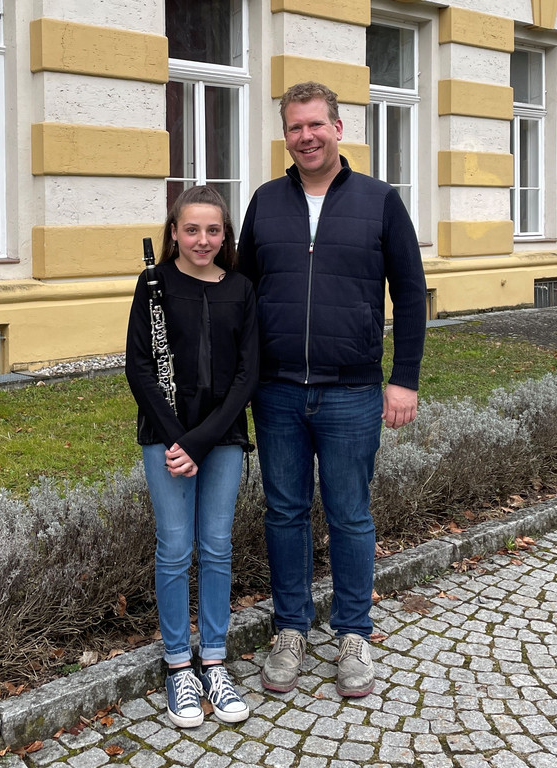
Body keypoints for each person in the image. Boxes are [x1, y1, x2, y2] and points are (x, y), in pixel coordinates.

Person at [238, 82, 426, 697]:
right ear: (285, 136)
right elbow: (242, 293)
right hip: (278, 392)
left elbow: (410, 294)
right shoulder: (265, 202)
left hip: (351, 391)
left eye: (316, 124)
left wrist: (404, 379)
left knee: (349, 515)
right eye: (295, 127)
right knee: (285, 513)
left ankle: (353, 633)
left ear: (338, 129)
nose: (306, 136)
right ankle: (291, 629)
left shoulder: (379, 201)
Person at [126, 185, 258, 727]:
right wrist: (177, 437)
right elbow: (139, 367)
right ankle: (179, 664)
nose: (202, 239)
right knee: (176, 549)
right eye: (191, 229)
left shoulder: (241, 288)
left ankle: (215, 660)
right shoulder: (153, 284)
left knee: (217, 547)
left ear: (225, 236)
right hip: (166, 435)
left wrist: (199, 441)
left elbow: (248, 374)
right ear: (174, 233)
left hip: (220, 438)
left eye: (213, 230)